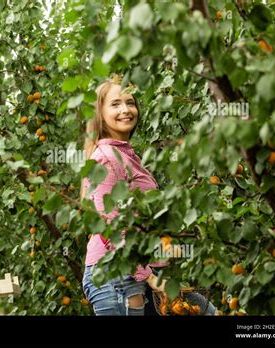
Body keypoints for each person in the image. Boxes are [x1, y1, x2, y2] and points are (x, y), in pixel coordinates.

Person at [81, 79, 216, 316]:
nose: (125, 110)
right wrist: (150, 277)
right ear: (100, 114)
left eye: (130, 102)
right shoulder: (105, 158)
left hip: (141, 273)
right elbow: (108, 226)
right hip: (118, 278)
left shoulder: (124, 154)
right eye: (115, 104)